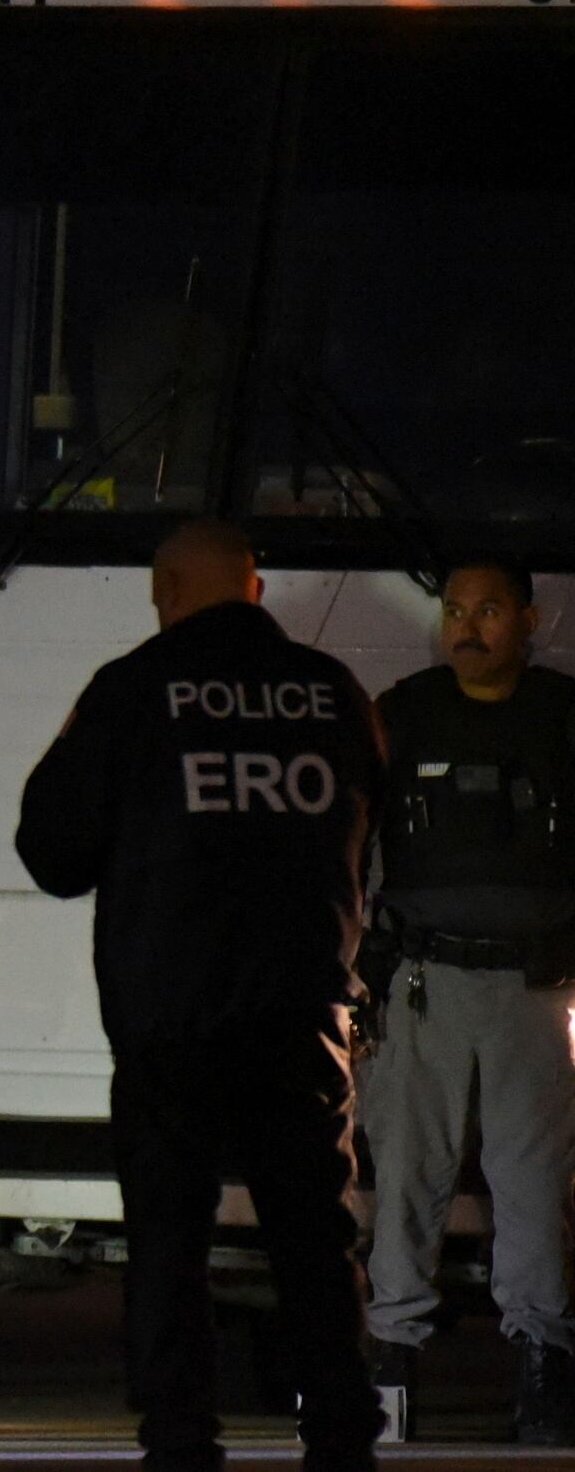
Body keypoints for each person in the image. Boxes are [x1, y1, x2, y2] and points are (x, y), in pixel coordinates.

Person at [17, 519, 387, 1472]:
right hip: (303, 1011)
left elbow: (52, 852)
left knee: (169, 1244)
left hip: (168, 1016)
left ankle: (181, 1441)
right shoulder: (332, 693)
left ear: (169, 590)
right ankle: (340, 1435)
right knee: (314, 1237)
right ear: (255, 591)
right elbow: (382, 835)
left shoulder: (133, 690)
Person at [358, 557, 575, 1444]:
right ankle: (389, 1360)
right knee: (407, 1174)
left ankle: (545, 1365)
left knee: (533, 1184)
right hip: (423, 981)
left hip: (535, 984)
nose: (468, 627)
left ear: (530, 619)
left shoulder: (564, 717)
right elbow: (350, 829)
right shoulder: (404, 713)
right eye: (454, 609)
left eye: (489, 610)